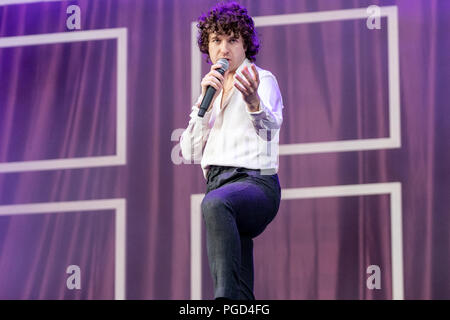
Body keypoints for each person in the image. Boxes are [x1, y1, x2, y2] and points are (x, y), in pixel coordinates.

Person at [180, 1, 284, 300]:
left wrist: (252, 102)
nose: (223, 49)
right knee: (242, 287)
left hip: (255, 184)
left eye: (232, 40)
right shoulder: (208, 92)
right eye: (216, 40)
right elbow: (188, 152)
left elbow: (269, 131)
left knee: (214, 204)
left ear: (245, 45)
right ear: (208, 48)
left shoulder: (261, 80)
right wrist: (204, 106)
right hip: (219, 185)